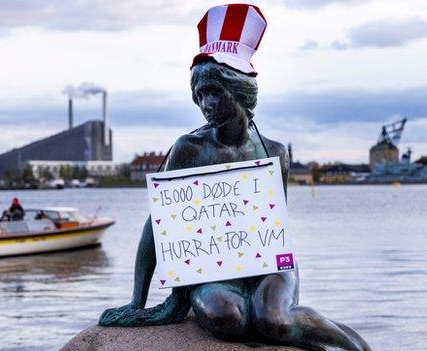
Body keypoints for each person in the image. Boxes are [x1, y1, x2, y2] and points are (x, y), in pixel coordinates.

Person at [99, 5, 371, 351]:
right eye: (200, 95)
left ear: (240, 91)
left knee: (273, 319)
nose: (205, 104)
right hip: (213, 270)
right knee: (229, 319)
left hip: (268, 266)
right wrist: (137, 301)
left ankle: (352, 344)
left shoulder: (274, 152)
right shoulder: (189, 150)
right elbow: (158, 224)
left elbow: (274, 229)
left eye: (214, 93)